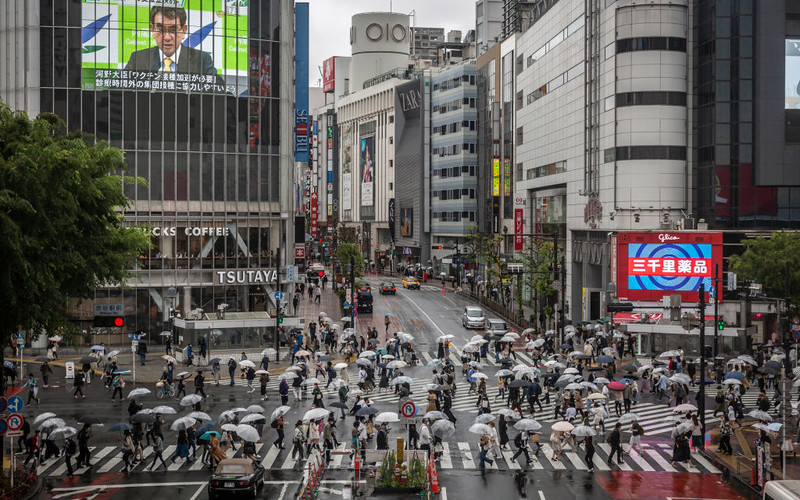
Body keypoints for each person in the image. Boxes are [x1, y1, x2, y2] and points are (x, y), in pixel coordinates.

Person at [124, 6, 220, 77]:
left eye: (173, 30)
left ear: (184, 30)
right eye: (161, 29)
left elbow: (222, 96)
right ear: (152, 29)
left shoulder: (202, 60)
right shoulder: (138, 59)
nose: (167, 37)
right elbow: (116, 93)